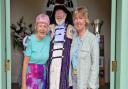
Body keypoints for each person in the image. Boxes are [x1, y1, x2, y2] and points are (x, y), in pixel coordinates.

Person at [70, 7, 99, 89]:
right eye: (75, 18)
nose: (78, 21)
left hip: (86, 84)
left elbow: (95, 65)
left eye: (81, 18)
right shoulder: (74, 39)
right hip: (75, 81)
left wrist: (91, 85)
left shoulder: (92, 39)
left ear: (85, 20)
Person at [47, 4, 74, 89]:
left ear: (65, 15)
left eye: (61, 12)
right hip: (52, 62)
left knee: (64, 83)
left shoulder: (71, 28)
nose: (58, 15)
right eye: (56, 13)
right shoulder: (50, 28)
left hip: (65, 62)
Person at [21, 13, 50, 89]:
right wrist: (23, 84)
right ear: (36, 27)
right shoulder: (31, 40)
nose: (42, 29)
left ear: (47, 29)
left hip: (42, 75)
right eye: (40, 26)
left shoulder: (48, 39)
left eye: (45, 26)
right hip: (31, 75)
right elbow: (25, 63)